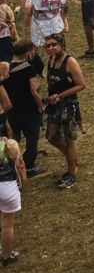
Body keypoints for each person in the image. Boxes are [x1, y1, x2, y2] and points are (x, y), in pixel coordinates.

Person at [43, 33, 86, 189]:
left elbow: (81, 84)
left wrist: (60, 96)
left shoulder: (70, 61)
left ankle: (72, 173)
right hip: (54, 105)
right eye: (47, 45)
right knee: (51, 136)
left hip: (68, 105)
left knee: (69, 140)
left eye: (54, 44)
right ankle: (71, 158)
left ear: (61, 44)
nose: (51, 48)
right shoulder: (51, 60)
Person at [2, 40, 45, 177]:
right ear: (28, 52)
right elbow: (34, 90)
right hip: (29, 110)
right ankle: (29, 166)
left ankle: (10, 165)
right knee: (32, 140)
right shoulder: (28, 68)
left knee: (12, 140)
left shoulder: (5, 68)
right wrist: (40, 106)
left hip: (11, 112)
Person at [0, 129, 26, 264]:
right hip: (8, 188)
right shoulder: (11, 145)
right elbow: (20, 166)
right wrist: (22, 182)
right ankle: (6, 256)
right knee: (7, 226)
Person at [0, 0, 17, 64]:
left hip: (5, 38)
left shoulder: (6, 7)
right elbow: (12, 24)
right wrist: (15, 37)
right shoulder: (6, 8)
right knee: (6, 61)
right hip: (5, 38)